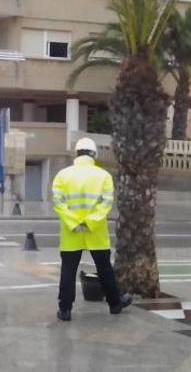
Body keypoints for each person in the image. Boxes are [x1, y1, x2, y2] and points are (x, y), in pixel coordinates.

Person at [52, 137, 132, 321]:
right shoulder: (103, 176)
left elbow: (58, 203)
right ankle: (115, 303)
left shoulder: (62, 175)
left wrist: (74, 223)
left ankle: (65, 310)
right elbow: (106, 204)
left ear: (77, 153)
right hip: (96, 231)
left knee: (68, 270)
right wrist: (90, 222)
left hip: (71, 232)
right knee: (104, 268)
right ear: (93, 154)